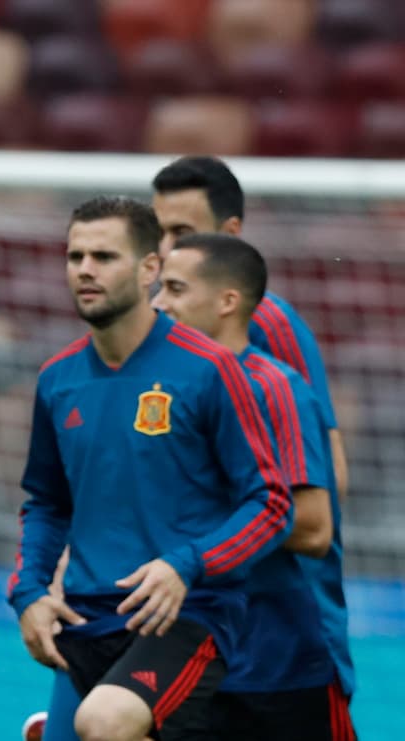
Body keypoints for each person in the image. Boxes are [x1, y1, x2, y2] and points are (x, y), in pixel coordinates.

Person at [8, 196, 293, 741]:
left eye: (104, 257)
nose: (85, 269)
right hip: (85, 617)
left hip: (184, 611)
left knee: (104, 723)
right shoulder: (57, 379)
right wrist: (30, 592)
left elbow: (271, 504)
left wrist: (185, 564)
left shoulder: (209, 369)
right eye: (75, 256)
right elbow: (47, 503)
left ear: (149, 269)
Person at [150, 155, 356, 715]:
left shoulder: (267, 326)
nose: (164, 248)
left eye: (182, 232)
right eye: (158, 231)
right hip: (197, 609)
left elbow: (326, 481)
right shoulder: (162, 334)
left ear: (231, 232)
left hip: (286, 623)